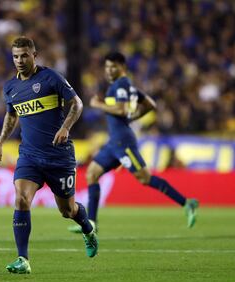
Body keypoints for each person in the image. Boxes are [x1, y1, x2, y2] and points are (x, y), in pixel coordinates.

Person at [0, 36, 98, 274]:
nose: (19, 60)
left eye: (24, 55)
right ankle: (23, 259)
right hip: (29, 156)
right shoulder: (11, 87)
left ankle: (88, 229)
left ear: (34, 55)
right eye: (16, 56)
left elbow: (77, 104)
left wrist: (65, 127)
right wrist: (0, 143)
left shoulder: (50, 78)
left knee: (67, 211)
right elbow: (11, 116)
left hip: (59, 157)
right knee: (21, 199)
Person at [68, 52, 199, 234]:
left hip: (123, 143)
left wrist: (99, 105)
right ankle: (91, 222)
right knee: (92, 174)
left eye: (113, 66)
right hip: (114, 142)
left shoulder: (122, 84)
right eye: (106, 66)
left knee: (144, 178)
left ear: (123, 67)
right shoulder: (123, 86)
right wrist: (132, 116)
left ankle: (187, 203)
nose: (108, 70)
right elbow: (150, 104)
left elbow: (121, 109)